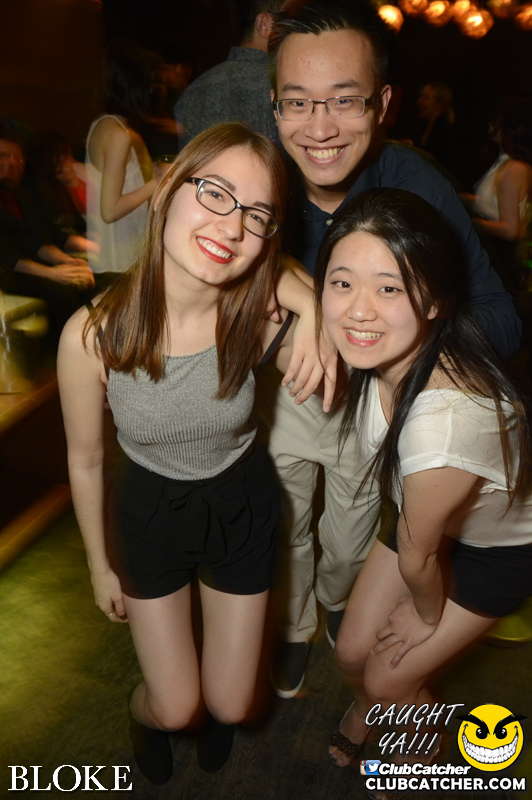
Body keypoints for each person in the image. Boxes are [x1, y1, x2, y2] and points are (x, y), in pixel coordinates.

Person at [57, 122, 333, 784]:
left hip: (240, 501)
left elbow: (288, 277)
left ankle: (214, 713)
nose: (231, 227)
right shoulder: (92, 336)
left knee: (233, 704)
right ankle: (146, 717)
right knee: (176, 707)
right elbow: (86, 460)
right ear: (165, 191)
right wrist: (98, 566)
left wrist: (316, 310)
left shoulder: (255, 311)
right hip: (149, 511)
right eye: (214, 192)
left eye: (256, 214)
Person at [265, 0, 522, 698]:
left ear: (381, 104)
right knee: (282, 522)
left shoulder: (417, 187)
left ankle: (338, 606)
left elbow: (502, 322)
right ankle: (293, 629)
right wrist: (296, 292)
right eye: (298, 102)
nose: (320, 128)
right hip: (283, 387)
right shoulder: (260, 177)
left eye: (344, 100)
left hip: (386, 406)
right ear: (275, 105)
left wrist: (380, 344)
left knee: (350, 537)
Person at [315, 188, 532, 794]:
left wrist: (426, 613)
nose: (358, 311)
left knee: (388, 679)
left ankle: (427, 758)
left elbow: (418, 555)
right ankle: (373, 709)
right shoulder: (380, 351)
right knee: (351, 652)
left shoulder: (446, 420)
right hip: (429, 520)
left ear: (435, 299)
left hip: (501, 551)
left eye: (389, 288)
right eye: (341, 283)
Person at [0, 125, 94, 343]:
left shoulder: (21, 193)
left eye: (17, 158)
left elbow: (39, 239)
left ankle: (97, 348)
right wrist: (51, 273)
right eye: (3, 156)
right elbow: (6, 254)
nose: (12, 163)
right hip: (7, 273)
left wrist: (67, 263)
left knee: (85, 283)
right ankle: (69, 355)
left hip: (24, 264)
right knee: (62, 294)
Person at [86, 39, 158, 275]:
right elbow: (110, 210)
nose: (152, 89)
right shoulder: (119, 134)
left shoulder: (102, 123)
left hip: (110, 257)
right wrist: (157, 183)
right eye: (149, 82)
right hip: (120, 261)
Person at [175, 0, 283, 147]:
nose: (299, 30)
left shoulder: (194, 89)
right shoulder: (283, 85)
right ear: (264, 24)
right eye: (291, 22)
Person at [467, 95, 532, 288]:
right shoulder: (504, 162)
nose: (491, 125)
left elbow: (510, 230)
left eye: (498, 120)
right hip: (495, 255)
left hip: (500, 259)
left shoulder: (514, 168)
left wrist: (466, 222)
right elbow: (493, 204)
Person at [416, 82, 456, 172]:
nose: (420, 101)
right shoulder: (424, 126)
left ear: (440, 104)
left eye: (426, 98)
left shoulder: (446, 131)